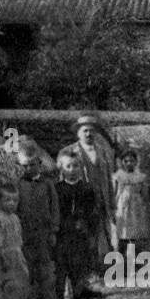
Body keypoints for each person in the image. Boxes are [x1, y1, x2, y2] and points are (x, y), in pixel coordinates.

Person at [62, 114, 118, 266]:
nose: (89, 134)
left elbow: (109, 178)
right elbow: (64, 180)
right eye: (85, 130)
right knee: (85, 232)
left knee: (103, 231)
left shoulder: (103, 152)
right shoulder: (69, 152)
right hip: (82, 200)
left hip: (102, 199)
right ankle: (87, 267)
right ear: (78, 133)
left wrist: (112, 203)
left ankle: (104, 265)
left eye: (92, 131)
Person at [16, 143, 59, 299]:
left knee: (45, 270)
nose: (28, 168)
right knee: (28, 270)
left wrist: (54, 230)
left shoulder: (47, 184)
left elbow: (54, 207)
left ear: (39, 164)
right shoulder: (18, 185)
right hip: (25, 234)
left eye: (32, 164)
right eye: (24, 165)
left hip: (43, 233)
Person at [54, 149, 99, 299]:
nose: (72, 169)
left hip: (80, 236)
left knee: (78, 271)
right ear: (61, 168)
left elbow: (93, 213)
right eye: (68, 166)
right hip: (62, 235)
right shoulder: (57, 189)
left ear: (81, 168)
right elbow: (54, 211)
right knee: (60, 271)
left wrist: (90, 230)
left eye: (75, 166)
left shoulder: (86, 189)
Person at [0, 183, 31, 299]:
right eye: (7, 200)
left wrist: (19, 252)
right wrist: (3, 257)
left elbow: (19, 237)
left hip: (17, 254)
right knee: (7, 285)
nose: (12, 204)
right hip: (6, 256)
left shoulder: (14, 218)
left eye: (15, 201)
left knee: (20, 282)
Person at [112, 147, 150, 258]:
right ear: (121, 162)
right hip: (122, 206)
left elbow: (145, 195)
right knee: (122, 232)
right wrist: (113, 208)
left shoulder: (140, 177)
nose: (129, 163)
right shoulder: (118, 176)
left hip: (137, 207)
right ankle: (121, 258)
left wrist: (147, 208)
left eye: (131, 161)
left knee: (135, 233)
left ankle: (135, 258)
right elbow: (114, 193)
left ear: (136, 162)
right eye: (126, 161)